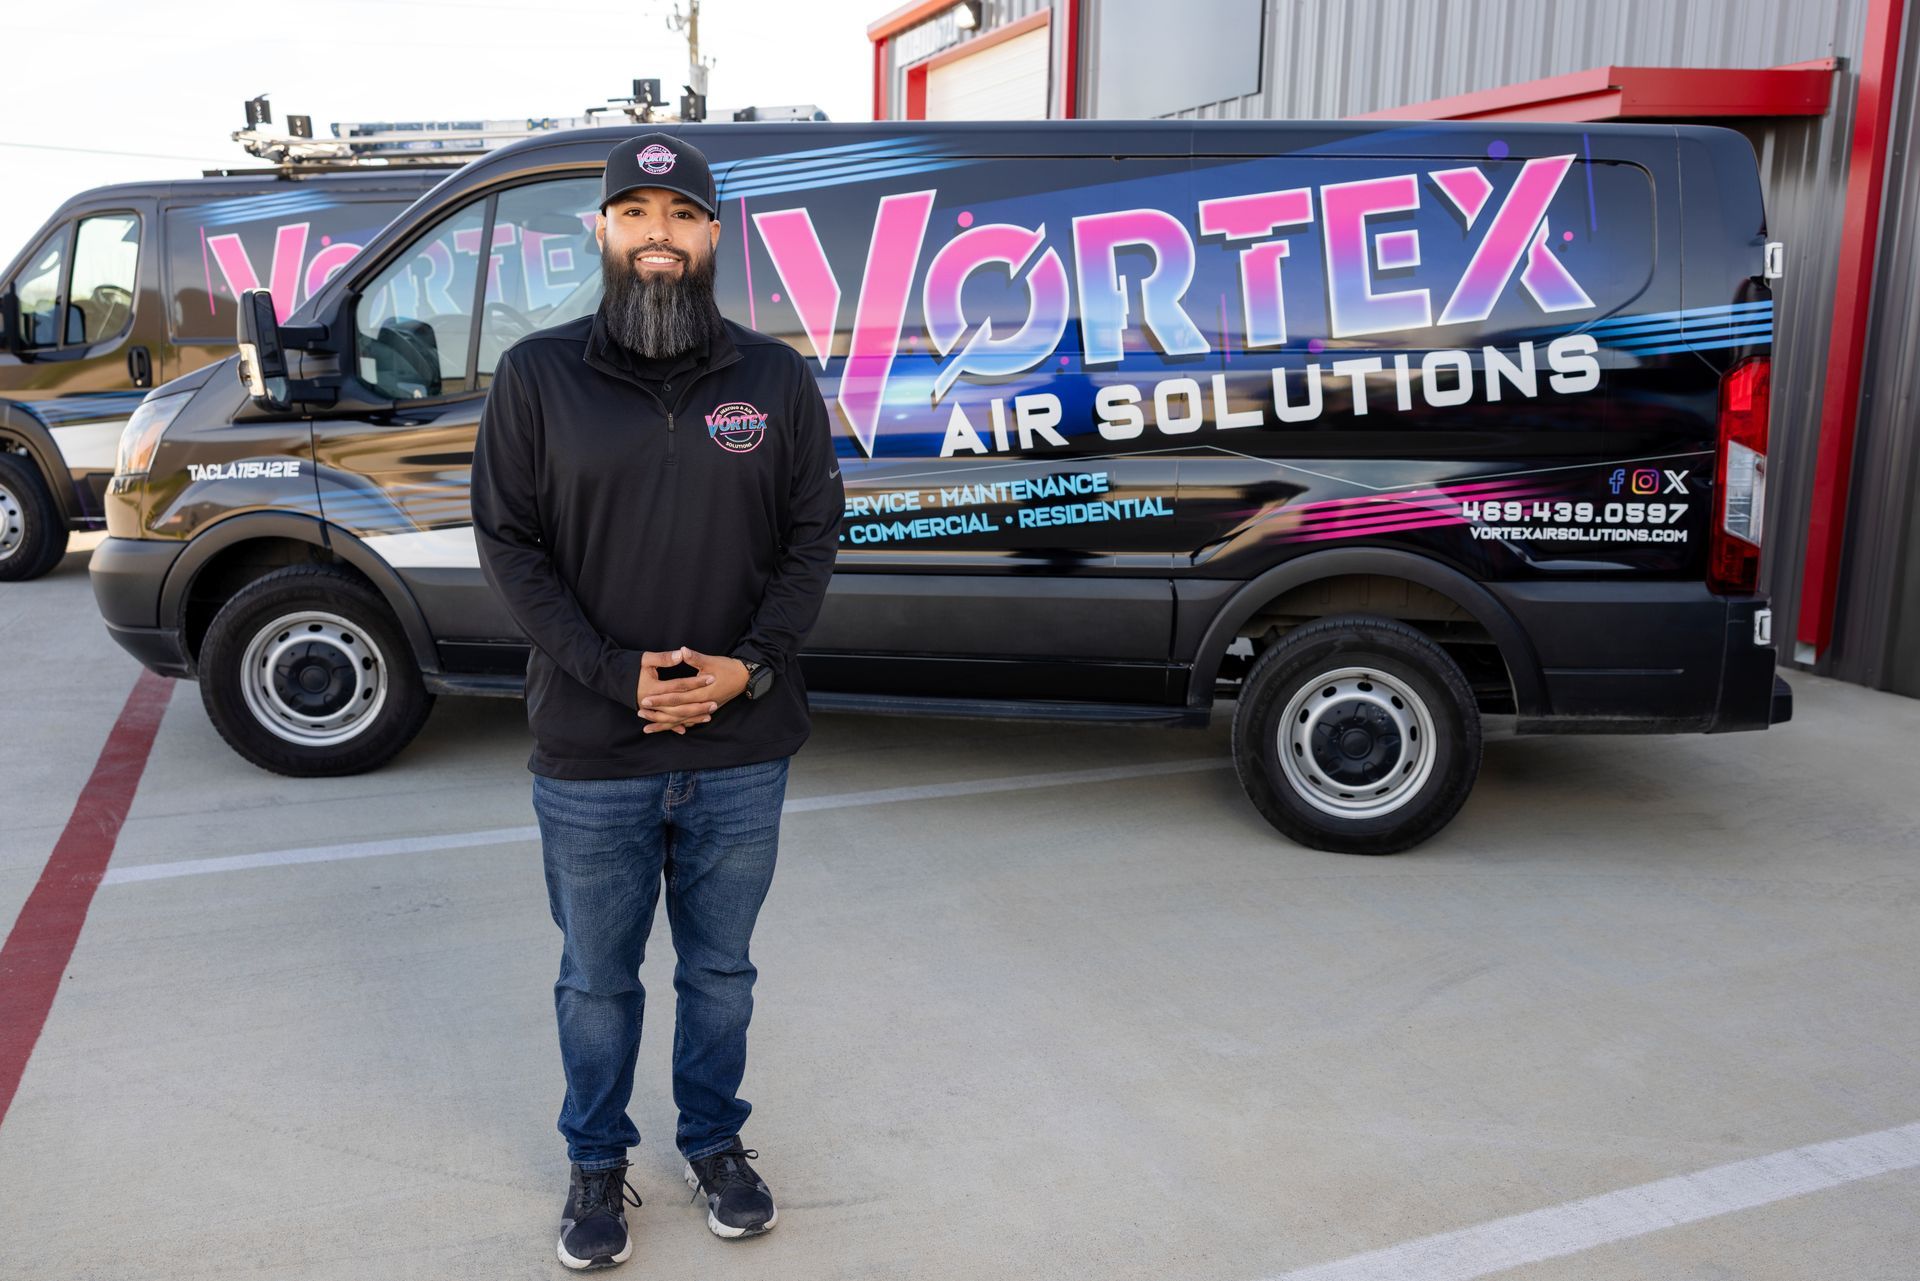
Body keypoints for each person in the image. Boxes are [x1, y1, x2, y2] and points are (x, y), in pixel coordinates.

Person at [470, 131, 845, 1272]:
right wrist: (613, 672)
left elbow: (812, 537)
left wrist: (752, 668)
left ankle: (714, 1143)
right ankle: (596, 1159)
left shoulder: (773, 379)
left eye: (680, 215)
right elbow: (511, 545)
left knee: (721, 973)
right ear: (602, 230)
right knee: (596, 978)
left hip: (743, 745)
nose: (658, 236)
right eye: (634, 214)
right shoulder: (538, 376)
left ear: (714, 234)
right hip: (592, 748)